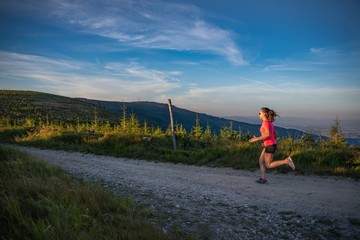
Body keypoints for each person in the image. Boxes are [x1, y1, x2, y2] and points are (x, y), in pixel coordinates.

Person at [249, 107, 295, 184]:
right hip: (269, 145)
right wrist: (265, 142)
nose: (258, 115)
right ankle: (263, 179)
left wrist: (256, 139)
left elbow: (267, 134)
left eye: (259, 113)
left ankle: (286, 161)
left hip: (270, 146)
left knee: (268, 165)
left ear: (264, 114)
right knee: (261, 161)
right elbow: (275, 135)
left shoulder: (265, 123)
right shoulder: (269, 123)